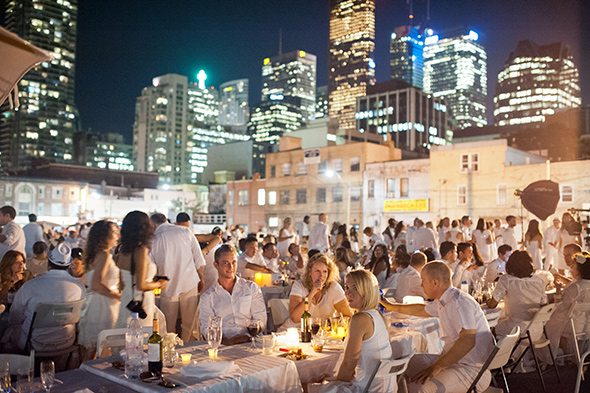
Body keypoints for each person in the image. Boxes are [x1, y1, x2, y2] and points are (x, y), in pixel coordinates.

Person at [382, 261, 494, 393]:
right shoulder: (443, 299)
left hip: (472, 370)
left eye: (423, 281)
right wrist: (392, 306)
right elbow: (422, 310)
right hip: (454, 362)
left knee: (426, 389)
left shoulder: (458, 302)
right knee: (407, 363)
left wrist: (436, 367)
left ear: (435, 283)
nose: (421, 285)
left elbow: (467, 340)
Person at [309, 270, 394, 393]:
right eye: (347, 287)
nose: (348, 292)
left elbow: (349, 365)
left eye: (355, 288)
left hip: (367, 388)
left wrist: (331, 382)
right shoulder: (378, 315)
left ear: (367, 291)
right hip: (385, 387)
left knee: (305, 386)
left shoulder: (360, 319)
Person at [1, 243, 85, 353]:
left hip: (34, 343)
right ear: (68, 265)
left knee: (8, 329)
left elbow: (15, 317)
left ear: (48, 264)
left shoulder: (31, 285)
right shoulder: (80, 287)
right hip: (67, 341)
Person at [150, 213, 205, 342]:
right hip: (190, 282)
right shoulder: (185, 231)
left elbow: (151, 269)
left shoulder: (153, 239)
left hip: (167, 286)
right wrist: (202, 279)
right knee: (190, 325)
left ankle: (170, 352)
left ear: (152, 224)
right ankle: (189, 352)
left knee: (167, 327)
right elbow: (199, 260)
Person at [199, 245, 267, 345]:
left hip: (250, 342)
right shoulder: (208, 297)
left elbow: (261, 319)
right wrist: (227, 342)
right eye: (225, 263)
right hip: (222, 345)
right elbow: (206, 328)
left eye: (233, 262)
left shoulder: (251, 288)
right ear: (216, 265)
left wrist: (247, 336)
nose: (231, 267)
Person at [115, 211, 168, 330]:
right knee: (142, 336)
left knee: (127, 335)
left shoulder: (122, 250)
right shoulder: (141, 251)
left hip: (127, 300)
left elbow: (121, 282)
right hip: (141, 301)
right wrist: (159, 283)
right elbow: (141, 284)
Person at [78, 220, 121, 358]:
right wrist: (117, 296)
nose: (117, 236)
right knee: (101, 350)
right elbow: (96, 284)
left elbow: (87, 280)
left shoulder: (93, 255)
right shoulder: (104, 255)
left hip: (94, 303)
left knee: (91, 352)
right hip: (103, 305)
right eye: (114, 232)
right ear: (106, 236)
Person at [486, 250, 547, 337]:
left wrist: (488, 301)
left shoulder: (506, 280)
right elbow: (544, 305)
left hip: (517, 330)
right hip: (537, 330)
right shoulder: (539, 281)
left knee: (490, 329)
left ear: (510, 265)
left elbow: (492, 305)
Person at [545, 251, 590, 357]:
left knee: (546, 320)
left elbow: (561, 306)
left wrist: (558, 290)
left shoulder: (576, 287)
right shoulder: (581, 284)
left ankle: (555, 354)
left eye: (573, 267)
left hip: (572, 324)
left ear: (579, 270)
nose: (570, 269)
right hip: (586, 325)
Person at [288, 254, 352, 324]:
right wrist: (312, 293)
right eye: (317, 271)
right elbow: (295, 318)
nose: (321, 275)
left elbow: (348, 316)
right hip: (296, 331)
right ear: (310, 272)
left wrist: (331, 325)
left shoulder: (334, 287)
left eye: (325, 271)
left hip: (323, 333)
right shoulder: (299, 285)